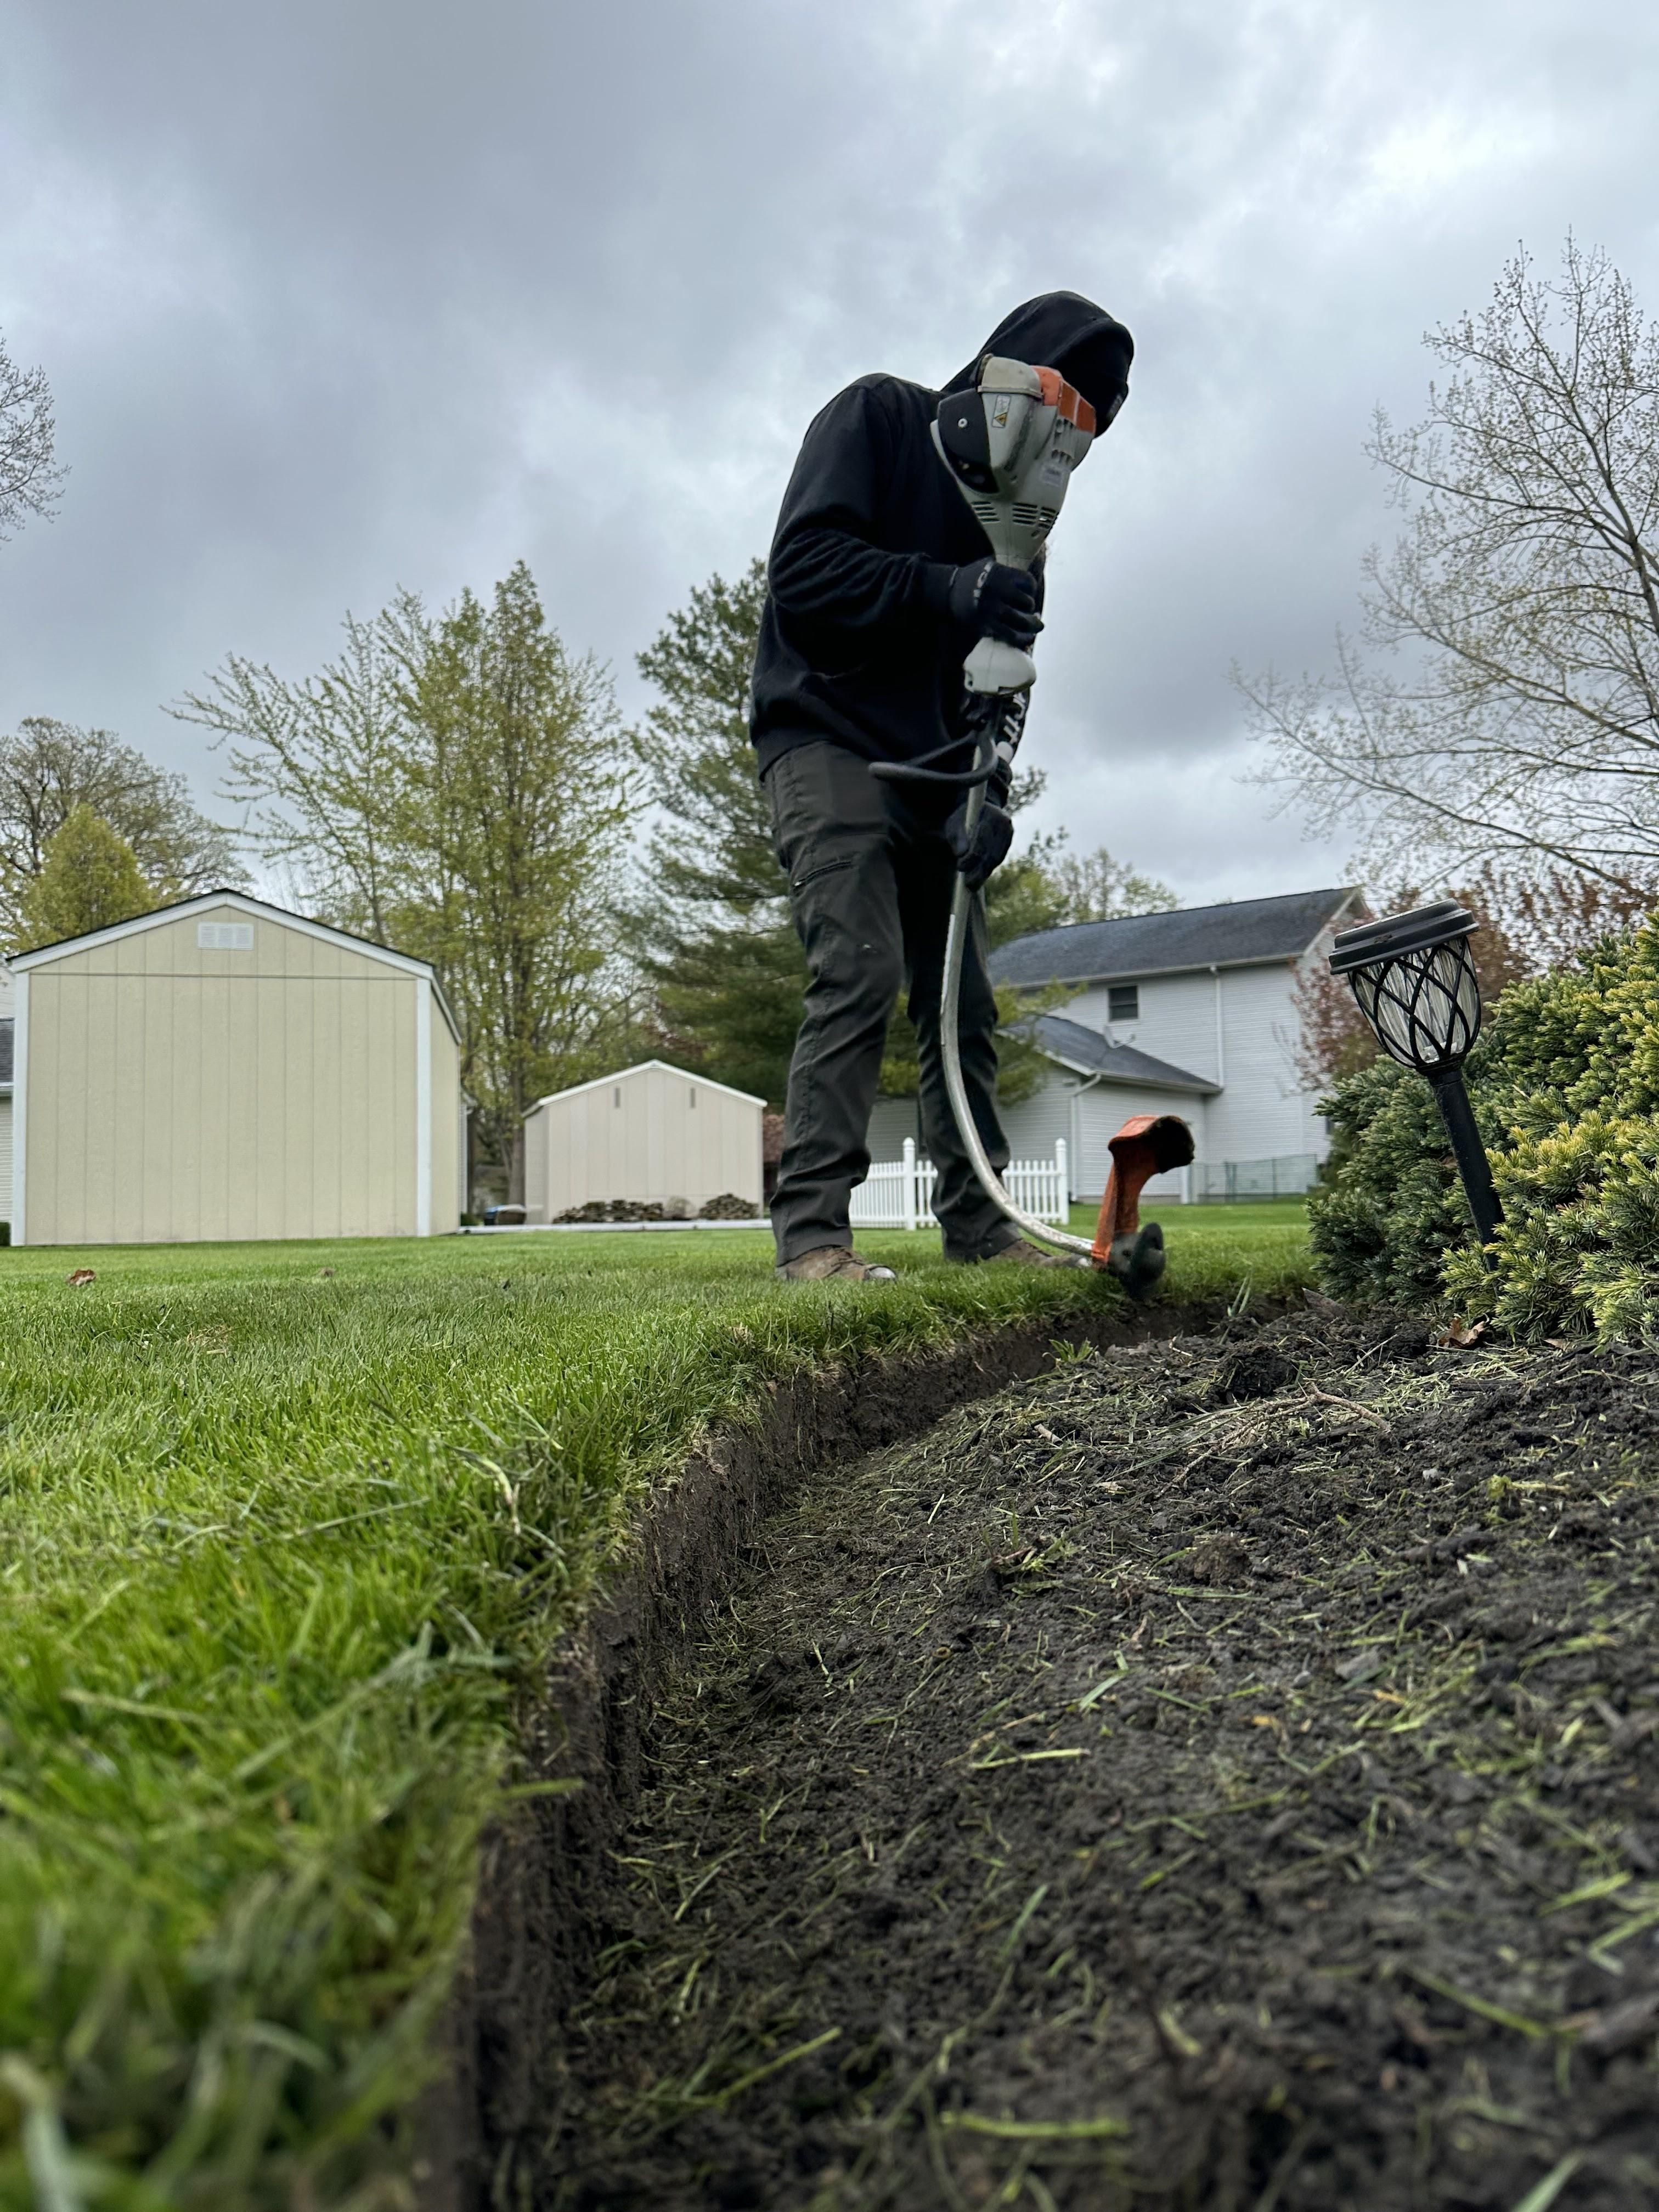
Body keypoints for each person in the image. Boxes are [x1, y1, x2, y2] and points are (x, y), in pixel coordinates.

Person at [752, 292, 1134, 1283]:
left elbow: (1003, 688)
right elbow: (805, 571)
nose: (1065, 433)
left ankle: (983, 1230)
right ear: (1006, 371)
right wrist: (946, 588)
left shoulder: (1021, 536)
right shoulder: (879, 416)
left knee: (961, 1004)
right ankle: (815, 1241)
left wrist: (992, 791)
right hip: (825, 736)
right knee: (861, 965)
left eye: (1085, 426)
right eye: (1060, 399)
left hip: (938, 770)